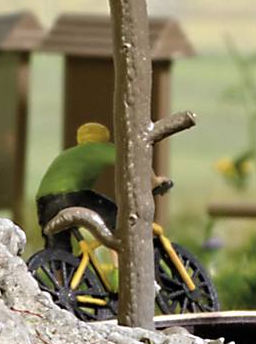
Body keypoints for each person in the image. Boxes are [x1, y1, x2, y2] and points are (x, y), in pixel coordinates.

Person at [28, 120, 217, 319]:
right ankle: (120, 276)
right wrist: (155, 182)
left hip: (45, 201)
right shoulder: (100, 148)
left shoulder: (68, 154)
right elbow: (134, 161)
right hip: (72, 195)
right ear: (103, 137)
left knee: (59, 246)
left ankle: (60, 288)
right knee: (122, 222)